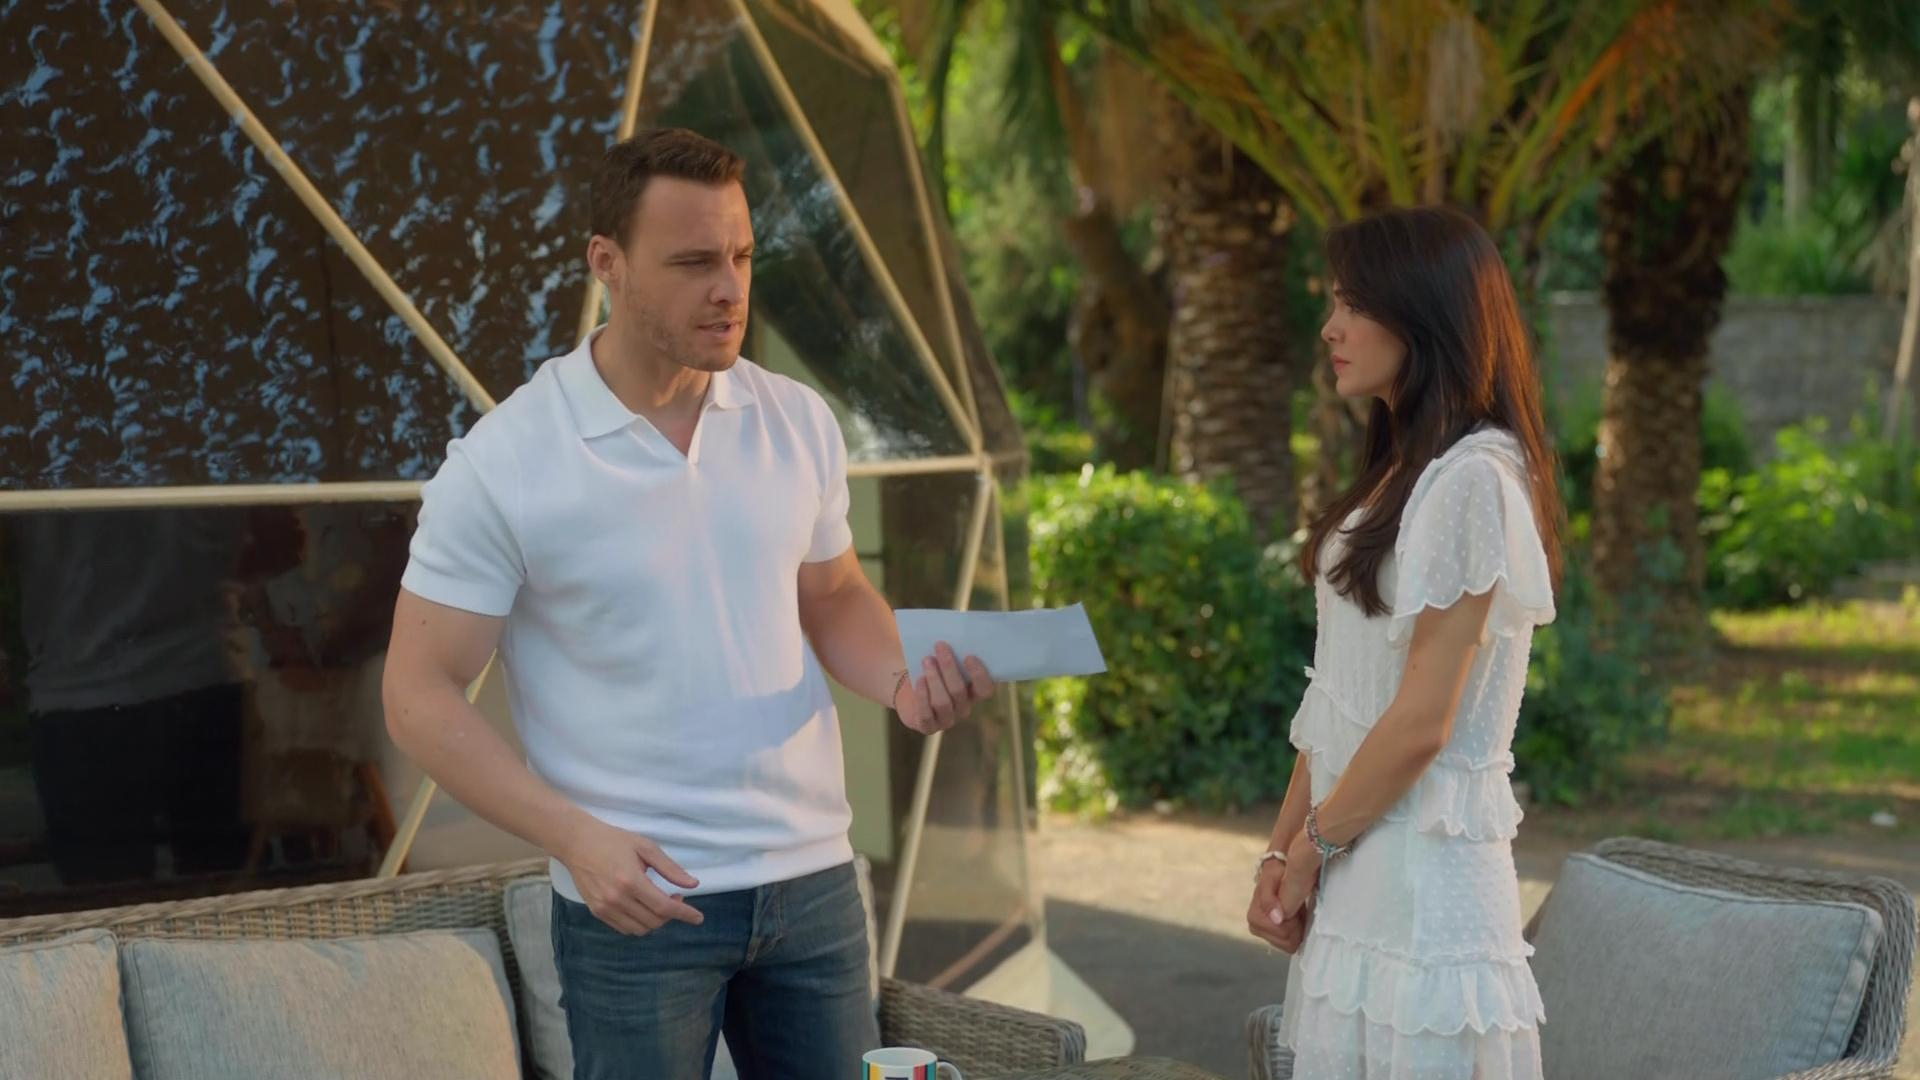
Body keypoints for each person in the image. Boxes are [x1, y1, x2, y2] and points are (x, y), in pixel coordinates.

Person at [381, 127, 996, 1080]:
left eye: (742, 256)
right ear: (607, 263)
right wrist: (574, 840)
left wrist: (902, 683)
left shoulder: (797, 420)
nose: (730, 288)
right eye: (695, 262)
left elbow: (833, 593)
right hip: (636, 904)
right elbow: (417, 694)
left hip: (814, 885)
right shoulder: (507, 463)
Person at [1245, 205, 1564, 1079]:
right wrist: (1280, 852)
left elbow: (1422, 722)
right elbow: (1342, 697)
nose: (1329, 328)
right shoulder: (1401, 473)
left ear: (1423, 314)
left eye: (1352, 304)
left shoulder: (1473, 480)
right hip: (1359, 882)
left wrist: (1308, 853)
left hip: (1426, 901)